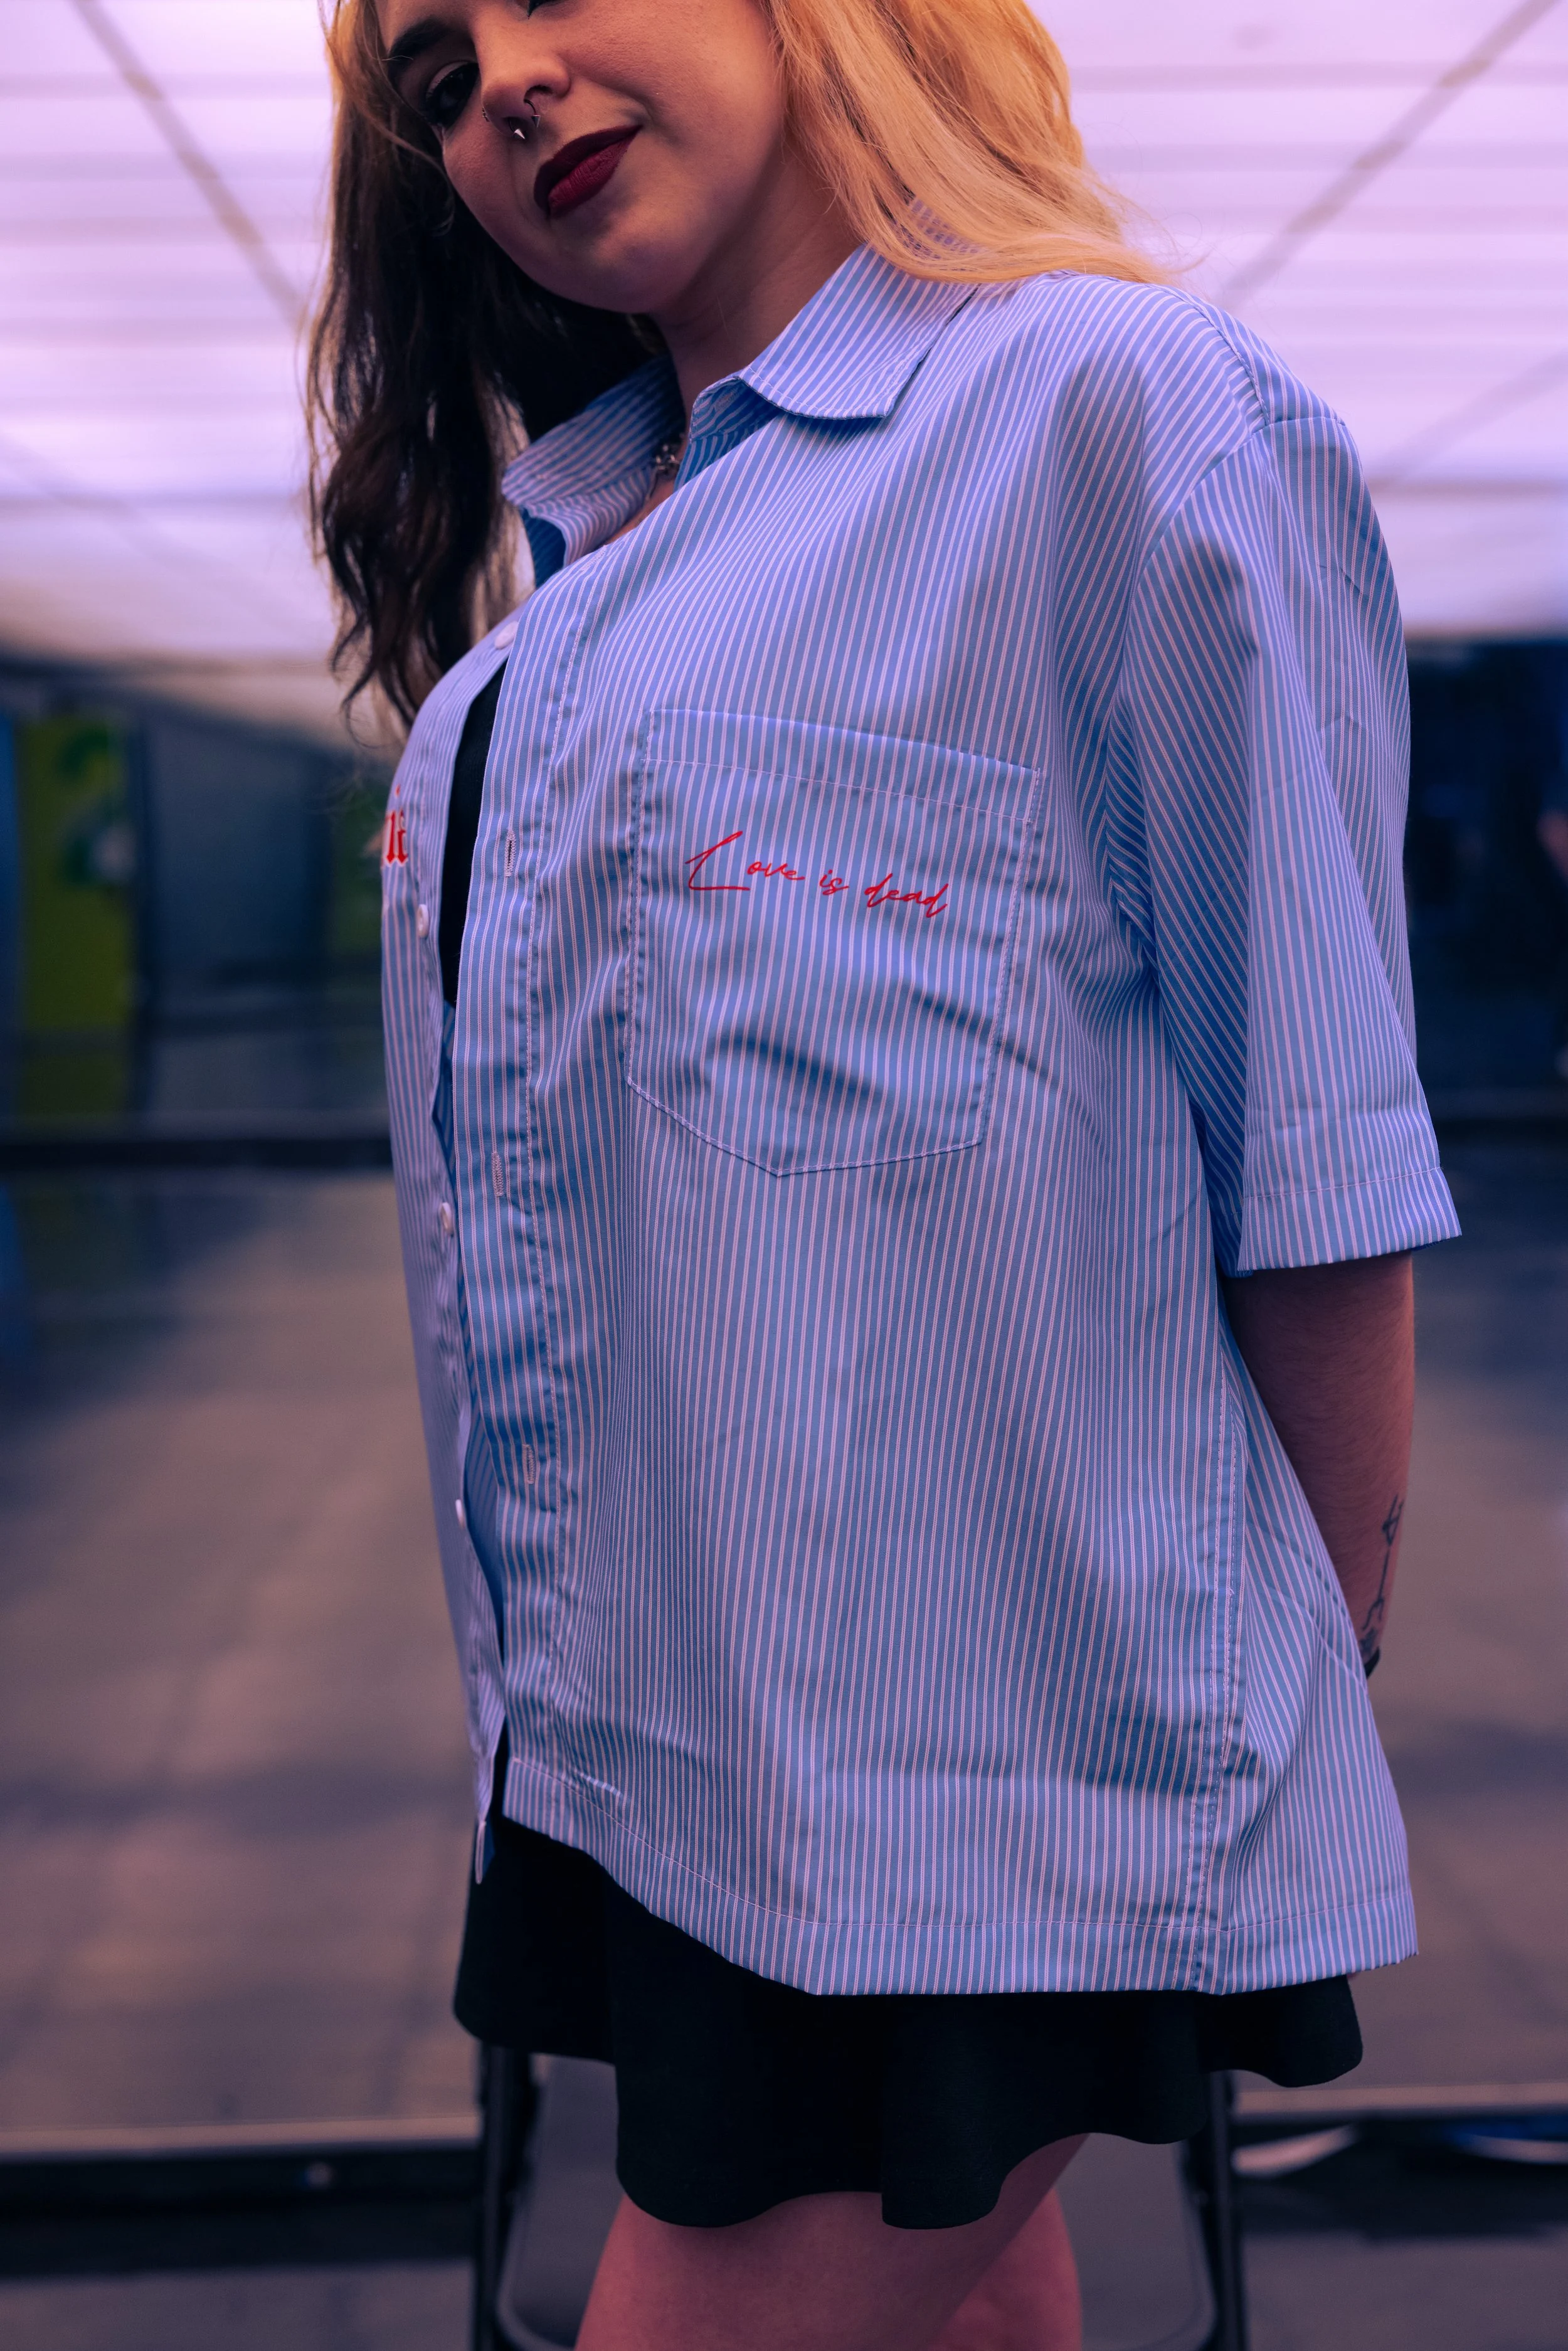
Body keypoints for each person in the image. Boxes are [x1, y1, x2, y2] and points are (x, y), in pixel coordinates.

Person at [309, 2, 1461, 2344]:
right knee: (970, 2291)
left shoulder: (1112, 418)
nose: (502, 81)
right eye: (436, 78)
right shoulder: (613, 564)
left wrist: (1275, 1710)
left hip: (996, 1779)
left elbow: (1316, 1146)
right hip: (657, 1732)